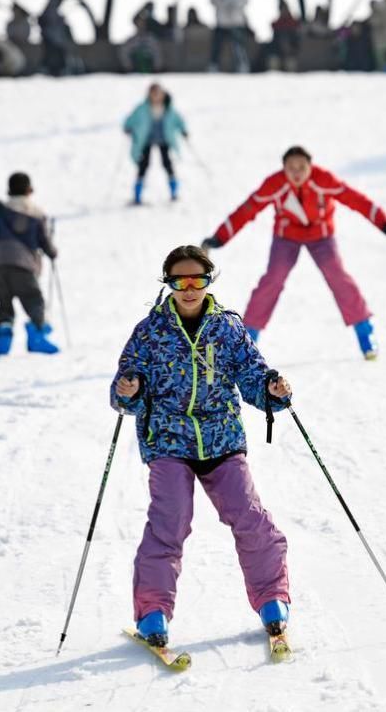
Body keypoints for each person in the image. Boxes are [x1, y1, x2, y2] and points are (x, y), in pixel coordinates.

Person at [110, 244, 292, 646]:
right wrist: (129, 390)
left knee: (250, 517)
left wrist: (271, 391)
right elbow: (126, 385)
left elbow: (251, 373)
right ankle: (153, 611)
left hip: (221, 439)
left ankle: (272, 599)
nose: (189, 288)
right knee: (169, 522)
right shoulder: (150, 332)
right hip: (169, 443)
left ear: (209, 282)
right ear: (169, 283)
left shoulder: (226, 328)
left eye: (198, 280)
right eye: (180, 281)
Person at [201, 146, 386, 359]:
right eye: (291, 168)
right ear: (284, 169)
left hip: (321, 236)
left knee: (338, 276)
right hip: (286, 238)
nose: (296, 173)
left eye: (302, 167)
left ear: (310, 166)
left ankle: (365, 333)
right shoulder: (276, 184)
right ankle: (247, 338)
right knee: (272, 279)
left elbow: (356, 201)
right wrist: (220, 237)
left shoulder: (323, 180)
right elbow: (248, 209)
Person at [0, 172, 59, 357]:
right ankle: (36, 336)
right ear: (29, 190)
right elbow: (45, 243)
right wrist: (53, 253)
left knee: (4, 303)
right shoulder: (36, 214)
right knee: (34, 299)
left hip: (0, 265)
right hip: (24, 266)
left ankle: (4, 341)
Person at [123, 83, 188, 204]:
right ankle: (137, 194)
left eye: (158, 94)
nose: (156, 97)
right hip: (146, 140)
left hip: (164, 139)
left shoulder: (168, 108)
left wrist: (183, 130)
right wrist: (128, 127)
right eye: (153, 94)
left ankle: (174, 192)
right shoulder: (142, 108)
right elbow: (131, 119)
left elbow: (178, 120)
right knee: (143, 165)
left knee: (167, 163)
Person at [209, 0, 250, 73]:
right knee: (217, 47)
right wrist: (224, 4)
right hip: (222, 22)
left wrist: (235, 5)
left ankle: (242, 66)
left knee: (238, 47)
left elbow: (245, 0)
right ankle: (214, 67)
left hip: (236, 21)